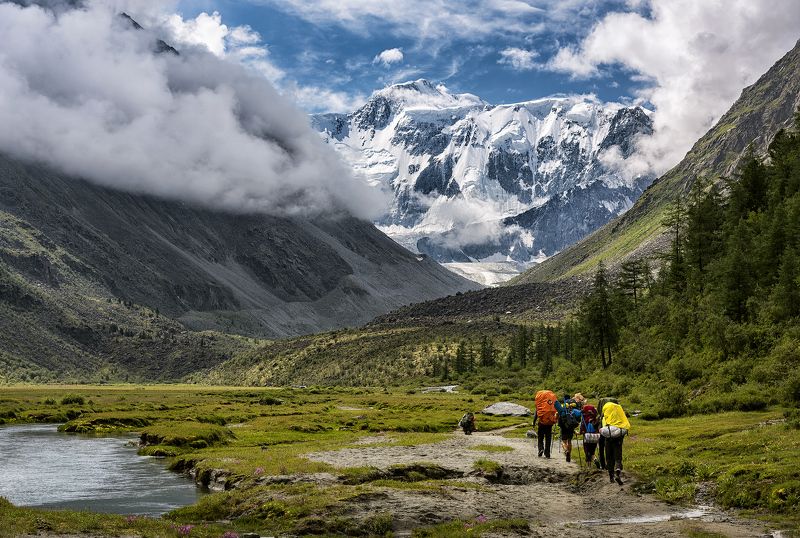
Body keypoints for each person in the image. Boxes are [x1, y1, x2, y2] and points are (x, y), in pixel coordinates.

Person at [600, 401, 631, 485]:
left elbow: (602, 429)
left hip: (608, 439)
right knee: (618, 456)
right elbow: (625, 426)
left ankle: (611, 477)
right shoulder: (621, 417)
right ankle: (617, 471)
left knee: (609, 457)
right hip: (618, 439)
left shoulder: (605, 417)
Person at [556, 394, 582, 463]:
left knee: (563, 441)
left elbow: (558, 414)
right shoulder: (573, 406)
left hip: (564, 425)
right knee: (569, 440)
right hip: (571, 425)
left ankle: (566, 450)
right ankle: (569, 455)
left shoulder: (563, 406)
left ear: (564, 399)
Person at [533, 389, 558, 458]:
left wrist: (534, 422)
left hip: (541, 422)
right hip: (549, 423)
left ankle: (540, 449)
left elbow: (536, 414)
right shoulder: (550, 404)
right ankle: (547, 453)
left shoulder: (540, 404)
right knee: (548, 438)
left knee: (540, 437)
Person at [580, 403, 601, 468]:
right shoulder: (595, 418)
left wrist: (580, 432)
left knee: (587, 450)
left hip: (586, 436)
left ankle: (589, 466)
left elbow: (582, 427)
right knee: (592, 450)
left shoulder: (584, 418)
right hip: (594, 436)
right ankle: (595, 459)